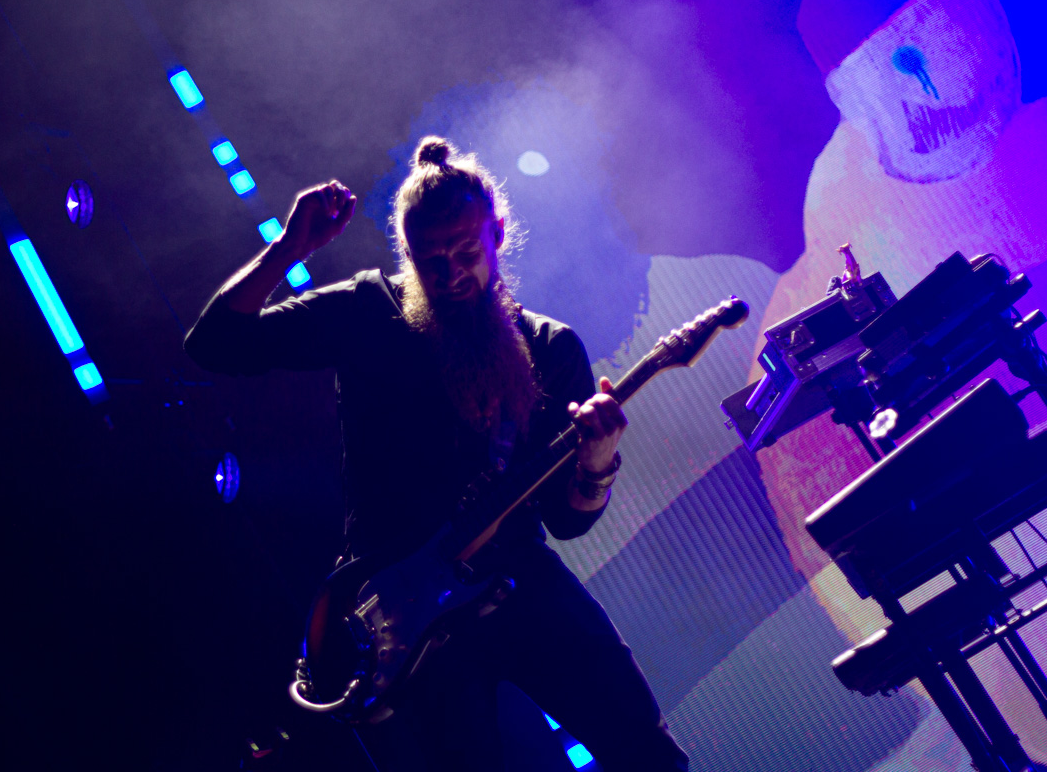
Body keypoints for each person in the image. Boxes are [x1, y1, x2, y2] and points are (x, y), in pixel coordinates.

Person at [184, 136, 688, 771]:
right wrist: (289, 249)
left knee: (646, 751)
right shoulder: (369, 309)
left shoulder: (550, 349)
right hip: (405, 613)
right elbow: (215, 344)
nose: (451, 276)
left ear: (497, 235)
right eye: (431, 262)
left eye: (466, 254)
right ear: (407, 255)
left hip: (516, 580)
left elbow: (566, 522)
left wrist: (597, 463)